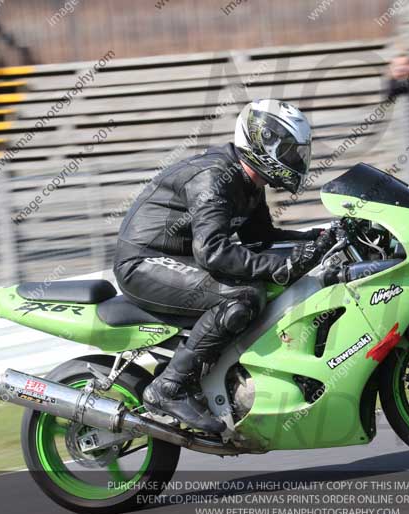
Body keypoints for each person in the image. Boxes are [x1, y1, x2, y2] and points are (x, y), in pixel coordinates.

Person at [113, 99, 335, 434]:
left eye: (296, 152)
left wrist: (317, 238)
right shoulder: (215, 177)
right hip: (144, 262)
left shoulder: (248, 181)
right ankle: (169, 387)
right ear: (263, 143)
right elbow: (212, 252)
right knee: (243, 296)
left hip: (179, 259)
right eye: (288, 151)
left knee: (259, 286)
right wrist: (283, 267)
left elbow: (260, 238)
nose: (294, 159)